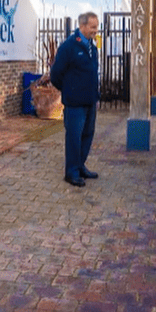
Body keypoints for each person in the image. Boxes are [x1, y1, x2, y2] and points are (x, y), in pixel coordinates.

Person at [50, 12, 100, 187]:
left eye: (97, 26)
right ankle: (71, 173)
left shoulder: (92, 48)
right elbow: (55, 74)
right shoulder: (69, 46)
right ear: (82, 26)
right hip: (74, 104)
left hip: (90, 101)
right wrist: (69, 91)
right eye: (93, 27)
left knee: (87, 135)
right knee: (74, 137)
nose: (96, 30)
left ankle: (80, 166)